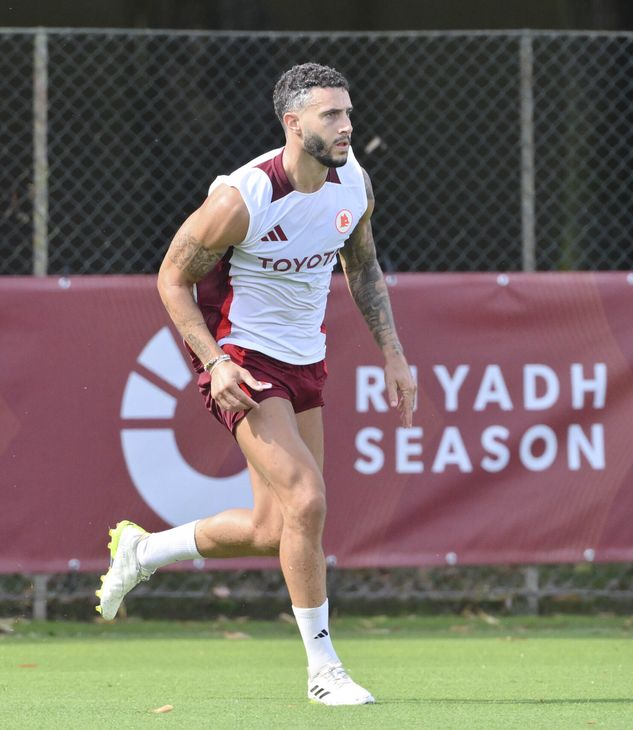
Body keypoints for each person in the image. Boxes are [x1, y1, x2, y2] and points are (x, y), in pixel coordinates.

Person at [97, 62, 416, 706]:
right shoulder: (245, 197)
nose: (347, 125)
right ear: (293, 125)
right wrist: (215, 363)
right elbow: (171, 279)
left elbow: (364, 269)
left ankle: (145, 550)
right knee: (308, 501)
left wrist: (395, 355)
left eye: (348, 112)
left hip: (307, 361)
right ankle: (323, 670)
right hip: (244, 358)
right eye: (331, 115)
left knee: (279, 525)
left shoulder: (353, 182)